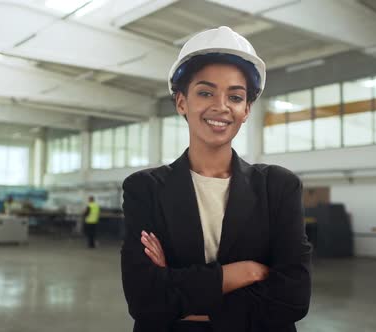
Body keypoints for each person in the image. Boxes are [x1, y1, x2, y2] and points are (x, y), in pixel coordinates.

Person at [120, 26, 312, 332]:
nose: (221, 106)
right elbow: (145, 300)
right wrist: (245, 272)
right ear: (181, 102)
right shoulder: (145, 189)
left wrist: (181, 299)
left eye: (235, 96)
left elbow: (293, 298)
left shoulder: (278, 187)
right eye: (206, 92)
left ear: (247, 109)